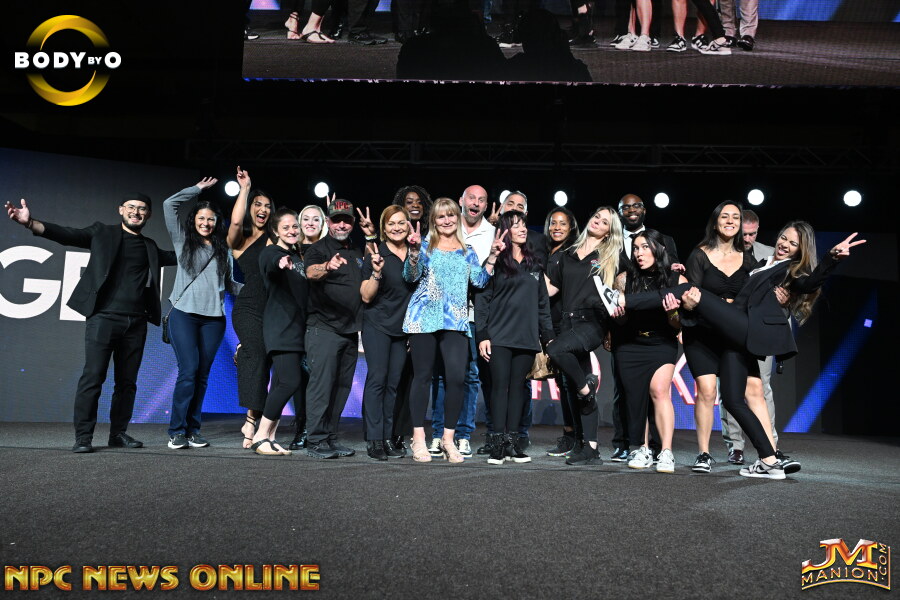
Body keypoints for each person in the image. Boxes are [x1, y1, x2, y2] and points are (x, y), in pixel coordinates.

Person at [626, 224, 865, 478]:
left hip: (748, 327)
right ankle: (769, 460)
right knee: (732, 399)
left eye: (793, 244)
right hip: (735, 335)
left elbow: (808, 283)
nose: (785, 244)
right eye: (784, 238)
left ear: (800, 250)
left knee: (689, 290)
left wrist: (831, 258)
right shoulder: (761, 263)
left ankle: (622, 301)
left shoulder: (790, 269)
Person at [6, 196, 176, 453]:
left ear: (148, 215)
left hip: (136, 322)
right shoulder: (102, 233)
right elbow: (66, 235)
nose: (136, 212)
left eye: (142, 209)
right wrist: (30, 223)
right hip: (103, 318)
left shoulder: (149, 246)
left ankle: (118, 434)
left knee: (127, 382)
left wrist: (213, 243)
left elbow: (180, 256)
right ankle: (83, 437)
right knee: (93, 377)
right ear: (121, 210)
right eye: (131, 207)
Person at [403, 198, 503, 463]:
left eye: (450, 215)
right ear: (433, 221)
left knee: (457, 379)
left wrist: (493, 256)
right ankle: (419, 438)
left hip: (456, 320)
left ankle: (448, 439)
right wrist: (413, 252)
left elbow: (479, 281)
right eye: (440, 216)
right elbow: (410, 276)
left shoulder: (467, 250)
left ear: (457, 218)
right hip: (423, 319)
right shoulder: (424, 246)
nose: (446, 220)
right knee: (422, 378)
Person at [163, 178, 241, 450]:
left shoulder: (223, 250)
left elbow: (229, 284)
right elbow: (169, 205)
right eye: (201, 218)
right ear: (194, 220)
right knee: (189, 371)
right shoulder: (183, 240)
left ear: (217, 222)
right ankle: (176, 431)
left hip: (214, 320)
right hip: (184, 315)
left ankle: (193, 430)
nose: (206, 223)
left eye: (210, 219)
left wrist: (257, 290)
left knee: (202, 376)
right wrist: (196, 190)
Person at [681, 201, 757, 472]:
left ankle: (767, 451)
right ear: (715, 222)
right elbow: (690, 294)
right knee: (706, 391)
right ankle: (703, 453)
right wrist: (688, 303)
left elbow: (754, 295)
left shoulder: (747, 257)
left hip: (733, 335)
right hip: (702, 333)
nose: (730, 221)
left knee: (746, 392)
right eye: (725, 216)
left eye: (735, 217)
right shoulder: (699, 254)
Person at [544, 206, 624, 465]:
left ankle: (586, 387)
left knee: (556, 351)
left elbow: (625, 282)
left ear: (610, 231)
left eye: (605, 222)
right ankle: (589, 447)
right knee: (572, 385)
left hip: (592, 322)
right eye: (596, 217)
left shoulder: (612, 254)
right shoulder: (567, 254)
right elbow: (550, 288)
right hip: (566, 321)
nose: (598, 222)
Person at [475, 210, 553, 465]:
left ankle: (512, 442)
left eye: (523, 225)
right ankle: (497, 443)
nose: (522, 229)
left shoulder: (535, 264)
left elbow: (542, 304)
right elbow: (482, 300)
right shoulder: (495, 262)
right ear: (505, 231)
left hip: (526, 337)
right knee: (499, 388)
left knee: (519, 389)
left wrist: (547, 337)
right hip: (498, 336)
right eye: (516, 225)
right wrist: (482, 334)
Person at [610, 193, 680, 462]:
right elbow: (620, 320)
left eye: (644, 247)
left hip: (661, 342)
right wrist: (618, 315)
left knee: (659, 391)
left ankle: (666, 450)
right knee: (634, 397)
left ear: (658, 249)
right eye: (636, 248)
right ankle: (641, 448)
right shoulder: (624, 279)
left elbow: (678, 323)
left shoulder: (674, 277)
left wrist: (672, 312)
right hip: (630, 343)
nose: (639, 253)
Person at [429, 185, 495, 458]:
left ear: (486, 205)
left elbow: (480, 280)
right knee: (440, 376)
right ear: (461, 202)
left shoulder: (492, 233)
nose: (476, 203)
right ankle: (438, 433)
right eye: (471, 198)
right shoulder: (432, 238)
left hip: (471, 316)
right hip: (438, 317)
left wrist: (493, 257)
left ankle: (463, 435)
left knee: (468, 376)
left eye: (481, 199)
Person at [303, 198, 371, 459]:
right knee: (321, 387)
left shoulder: (356, 250)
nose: (341, 224)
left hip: (350, 331)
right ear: (328, 221)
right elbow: (311, 272)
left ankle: (330, 438)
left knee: (341, 388)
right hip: (324, 328)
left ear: (352, 223)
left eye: (346, 220)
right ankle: (315, 441)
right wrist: (327, 267)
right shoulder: (318, 249)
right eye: (336, 220)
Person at [716, 208, 778, 466]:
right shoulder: (721, 252)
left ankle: (771, 446)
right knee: (730, 389)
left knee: (763, 388)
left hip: (761, 332)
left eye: (753, 234)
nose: (748, 238)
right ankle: (735, 445)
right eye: (744, 233)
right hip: (731, 330)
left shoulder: (771, 254)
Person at [249, 208, 309, 456]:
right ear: (275, 231)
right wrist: (280, 262)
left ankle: (270, 437)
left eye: (295, 226)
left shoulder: (296, 256)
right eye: (286, 227)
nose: (292, 231)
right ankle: (260, 435)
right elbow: (271, 264)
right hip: (282, 328)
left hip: (295, 328)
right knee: (289, 381)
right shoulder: (272, 252)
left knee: (279, 384)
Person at [359, 206, 417, 460]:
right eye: (391, 223)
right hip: (377, 325)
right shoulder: (376, 253)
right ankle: (374, 439)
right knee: (377, 380)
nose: (396, 228)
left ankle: (387, 437)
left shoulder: (415, 254)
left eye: (401, 223)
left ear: (409, 225)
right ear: (383, 228)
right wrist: (376, 272)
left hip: (403, 329)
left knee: (393, 385)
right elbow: (365, 296)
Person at [227, 167, 275, 449]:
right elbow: (235, 222)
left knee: (263, 362)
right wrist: (245, 189)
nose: (263, 210)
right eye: (258, 205)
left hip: (273, 310)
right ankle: (250, 422)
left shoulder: (274, 238)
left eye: (267, 206)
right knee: (256, 354)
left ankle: (251, 419)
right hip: (248, 308)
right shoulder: (240, 239)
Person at [541, 206, 582, 457]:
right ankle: (570, 435)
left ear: (571, 227)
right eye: (553, 223)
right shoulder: (547, 251)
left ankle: (577, 437)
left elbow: (551, 290)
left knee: (570, 382)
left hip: (566, 324)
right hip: (549, 322)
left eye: (562, 223)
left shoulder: (572, 253)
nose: (557, 227)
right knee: (561, 383)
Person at [288, 203, 328, 451]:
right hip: (293, 322)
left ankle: (317, 429)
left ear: (323, 224)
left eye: (316, 219)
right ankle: (301, 428)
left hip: (321, 321)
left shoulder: (328, 251)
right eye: (306, 219)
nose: (310, 223)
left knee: (318, 378)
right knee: (298, 378)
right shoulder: (289, 251)